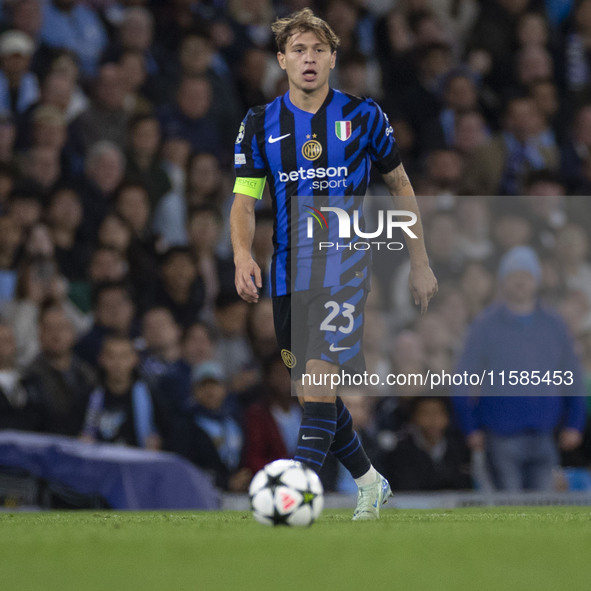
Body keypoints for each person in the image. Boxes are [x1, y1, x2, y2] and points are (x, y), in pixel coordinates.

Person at [230, 9, 437, 520]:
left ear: (332, 58)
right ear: (281, 60)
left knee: (319, 382)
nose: (308, 58)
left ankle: (291, 497)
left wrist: (420, 261)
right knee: (311, 394)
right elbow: (243, 200)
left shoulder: (364, 115)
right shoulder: (259, 122)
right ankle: (370, 482)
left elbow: (401, 185)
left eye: (318, 50)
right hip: (287, 273)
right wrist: (241, 255)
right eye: (298, 50)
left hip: (345, 268)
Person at [452, 246, 587, 491]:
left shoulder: (554, 324)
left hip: (546, 433)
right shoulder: (485, 325)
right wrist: (470, 427)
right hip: (500, 435)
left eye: (527, 275)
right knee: (509, 508)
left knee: (542, 509)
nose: (521, 282)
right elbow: (462, 378)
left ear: (536, 280)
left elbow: (572, 377)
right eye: (514, 275)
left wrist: (575, 423)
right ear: (503, 281)